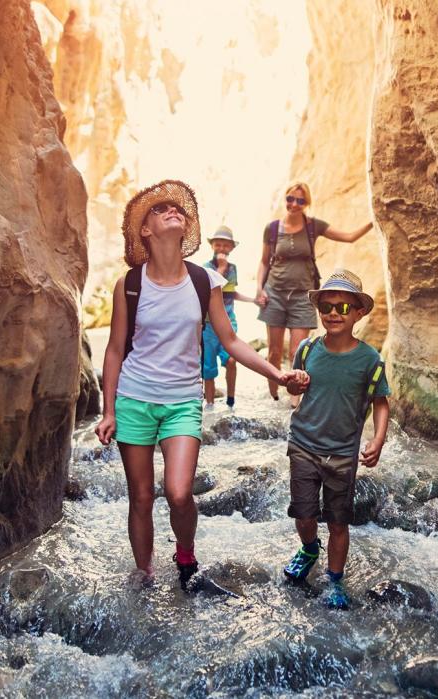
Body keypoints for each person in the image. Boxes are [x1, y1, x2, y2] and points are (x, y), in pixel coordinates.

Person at [94, 180, 309, 590]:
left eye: (177, 209)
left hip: (181, 402)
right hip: (134, 399)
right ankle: (144, 576)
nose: (171, 211)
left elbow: (230, 341)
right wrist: (108, 410)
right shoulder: (130, 283)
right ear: (146, 230)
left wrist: (275, 373)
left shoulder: (204, 280)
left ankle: (185, 553)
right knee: (139, 497)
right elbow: (115, 350)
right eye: (160, 210)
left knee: (178, 493)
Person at [280, 269, 390, 609]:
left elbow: (381, 402)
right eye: (327, 306)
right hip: (303, 445)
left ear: (358, 313)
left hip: (342, 454)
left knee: (339, 521)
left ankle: (335, 580)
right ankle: (310, 547)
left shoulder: (370, 359)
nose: (333, 313)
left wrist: (378, 439)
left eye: (342, 308)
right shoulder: (308, 348)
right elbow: (294, 390)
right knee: (304, 514)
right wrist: (293, 386)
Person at [256, 182, 374, 405]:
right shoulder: (272, 229)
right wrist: (259, 289)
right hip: (275, 294)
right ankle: (272, 398)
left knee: (297, 352)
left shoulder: (313, 226)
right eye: (290, 199)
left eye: (300, 201)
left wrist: (374, 218)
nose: (294, 204)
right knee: (273, 352)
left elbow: (349, 237)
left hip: (302, 296)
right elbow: (263, 262)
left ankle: (294, 402)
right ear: (285, 198)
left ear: (306, 203)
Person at [201, 225, 255, 411]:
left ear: (231, 248)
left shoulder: (233, 269)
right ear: (212, 246)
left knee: (232, 360)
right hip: (208, 325)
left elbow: (231, 294)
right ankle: (209, 405)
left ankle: (231, 401)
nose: (222, 249)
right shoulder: (206, 268)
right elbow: (208, 288)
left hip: (229, 322)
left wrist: (253, 300)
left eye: (226, 245)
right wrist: (221, 268)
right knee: (208, 367)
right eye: (218, 244)